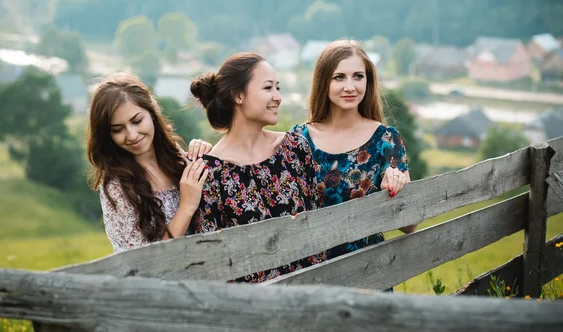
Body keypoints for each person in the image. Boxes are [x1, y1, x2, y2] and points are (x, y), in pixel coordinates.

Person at [190, 53, 325, 283]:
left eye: (278, 87)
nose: (278, 97)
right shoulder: (209, 172)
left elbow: (318, 221)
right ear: (238, 95)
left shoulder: (294, 147)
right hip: (251, 307)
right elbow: (210, 259)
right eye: (268, 88)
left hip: (309, 294)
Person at [290, 39, 417, 262]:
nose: (350, 86)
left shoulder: (386, 140)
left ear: (368, 81)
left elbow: (409, 226)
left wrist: (399, 186)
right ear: (323, 82)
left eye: (358, 76)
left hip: (367, 271)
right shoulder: (299, 138)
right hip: (308, 272)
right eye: (339, 77)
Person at [87, 73, 211, 253]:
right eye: (117, 129)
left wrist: (202, 153)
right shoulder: (118, 187)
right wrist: (186, 206)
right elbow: (145, 262)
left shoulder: (175, 156)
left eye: (137, 121)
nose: (131, 135)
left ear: (152, 113)